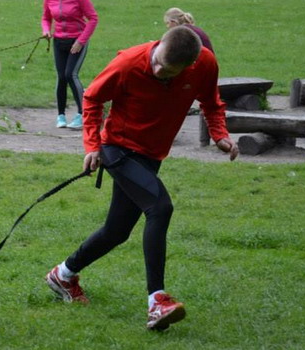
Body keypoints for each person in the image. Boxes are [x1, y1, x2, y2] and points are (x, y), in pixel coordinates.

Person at [44, 26, 239, 331]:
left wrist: (220, 135)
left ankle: (63, 274)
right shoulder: (128, 63)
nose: (157, 68)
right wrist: (93, 146)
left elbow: (212, 102)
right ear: (159, 43)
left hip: (151, 154)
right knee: (160, 208)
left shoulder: (206, 64)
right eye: (158, 61)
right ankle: (157, 301)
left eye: (167, 70)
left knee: (117, 230)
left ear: (190, 66)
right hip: (118, 148)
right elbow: (92, 98)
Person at [41, 0, 98, 130]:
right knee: (61, 77)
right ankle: (61, 116)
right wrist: (46, 30)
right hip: (59, 41)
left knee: (70, 75)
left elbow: (93, 19)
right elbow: (46, 18)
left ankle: (83, 114)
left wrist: (81, 41)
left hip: (77, 41)